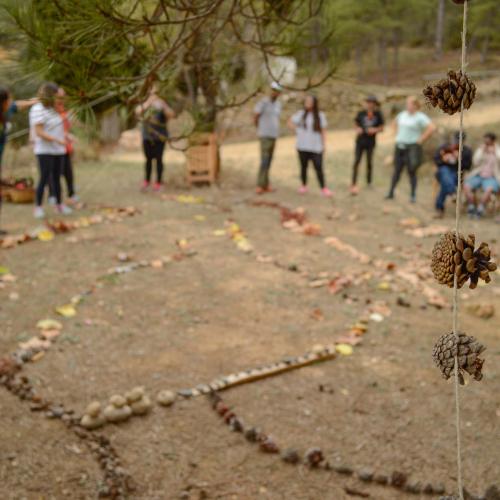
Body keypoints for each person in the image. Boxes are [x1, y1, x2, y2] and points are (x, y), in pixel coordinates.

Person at [29, 82, 72, 218]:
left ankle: (59, 205)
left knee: (57, 178)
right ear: (50, 95)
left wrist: (66, 136)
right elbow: (40, 132)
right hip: (44, 151)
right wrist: (58, 140)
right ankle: (38, 207)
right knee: (44, 178)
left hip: (58, 150)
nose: (58, 98)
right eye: (56, 95)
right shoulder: (37, 109)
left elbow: (57, 128)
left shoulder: (54, 109)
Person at [0, 86, 38, 233]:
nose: (11, 101)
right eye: (9, 99)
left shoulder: (5, 111)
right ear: (3, 102)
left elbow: (17, 105)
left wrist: (34, 101)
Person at [386, 96, 436, 202]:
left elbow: (432, 128)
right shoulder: (402, 115)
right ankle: (391, 192)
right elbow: (394, 123)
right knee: (397, 170)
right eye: (407, 104)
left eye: (410, 104)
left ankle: (413, 195)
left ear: (415, 105)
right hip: (400, 146)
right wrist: (396, 134)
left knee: (411, 171)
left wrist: (421, 139)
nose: (408, 106)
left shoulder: (420, 117)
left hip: (412, 148)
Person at [288, 95, 332, 197]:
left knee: (318, 167)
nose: (307, 103)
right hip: (302, 146)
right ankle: (303, 185)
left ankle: (323, 188)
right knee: (303, 167)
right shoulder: (301, 114)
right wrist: (297, 129)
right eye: (306, 101)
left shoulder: (320, 116)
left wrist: (324, 145)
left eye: (309, 101)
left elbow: (323, 131)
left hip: (316, 147)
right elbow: (290, 122)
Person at [135, 82, 175, 192]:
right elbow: (137, 112)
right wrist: (149, 102)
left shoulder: (162, 104)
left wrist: (163, 105)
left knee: (159, 160)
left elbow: (171, 114)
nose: (154, 94)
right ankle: (146, 181)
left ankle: (158, 182)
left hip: (160, 137)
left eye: (156, 92)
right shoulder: (145, 103)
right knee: (148, 160)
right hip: (147, 136)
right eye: (152, 91)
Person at [350, 96, 384, 195]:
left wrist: (375, 130)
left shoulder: (378, 114)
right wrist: (358, 129)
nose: (369, 104)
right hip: (360, 142)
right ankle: (353, 182)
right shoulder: (361, 113)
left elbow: (382, 127)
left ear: (374, 104)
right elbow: (355, 124)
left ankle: (369, 182)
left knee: (369, 162)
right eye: (368, 102)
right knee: (356, 162)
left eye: (371, 102)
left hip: (371, 142)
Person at [49, 87, 77, 204]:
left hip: (65, 147)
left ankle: (71, 193)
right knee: (54, 173)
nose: (62, 98)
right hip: (53, 147)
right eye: (60, 96)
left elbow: (67, 126)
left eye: (63, 96)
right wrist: (66, 135)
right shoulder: (51, 111)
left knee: (68, 172)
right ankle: (53, 195)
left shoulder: (64, 110)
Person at [433, 131, 472, 217]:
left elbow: (468, 166)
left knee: (445, 182)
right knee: (444, 171)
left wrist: (459, 159)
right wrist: (444, 160)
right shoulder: (444, 147)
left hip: (456, 174)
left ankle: (440, 208)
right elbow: (436, 160)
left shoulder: (466, 151)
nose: (457, 142)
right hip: (442, 171)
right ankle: (452, 192)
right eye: (456, 140)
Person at [254, 82, 282, 194]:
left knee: (269, 160)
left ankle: (266, 184)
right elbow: (255, 116)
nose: (274, 92)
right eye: (273, 90)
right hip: (264, 135)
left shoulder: (278, 104)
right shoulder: (263, 102)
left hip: (273, 135)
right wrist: (260, 129)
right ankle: (260, 185)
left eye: (277, 90)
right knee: (264, 160)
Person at [463, 132, 500, 218]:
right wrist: (482, 151)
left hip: (492, 177)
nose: (486, 142)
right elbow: (475, 162)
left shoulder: (497, 149)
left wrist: (494, 152)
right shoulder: (481, 149)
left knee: (489, 189)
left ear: (493, 141)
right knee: (466, 186)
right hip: (479, 175)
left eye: (488, 140)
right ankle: (471, 206)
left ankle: (480, 208)